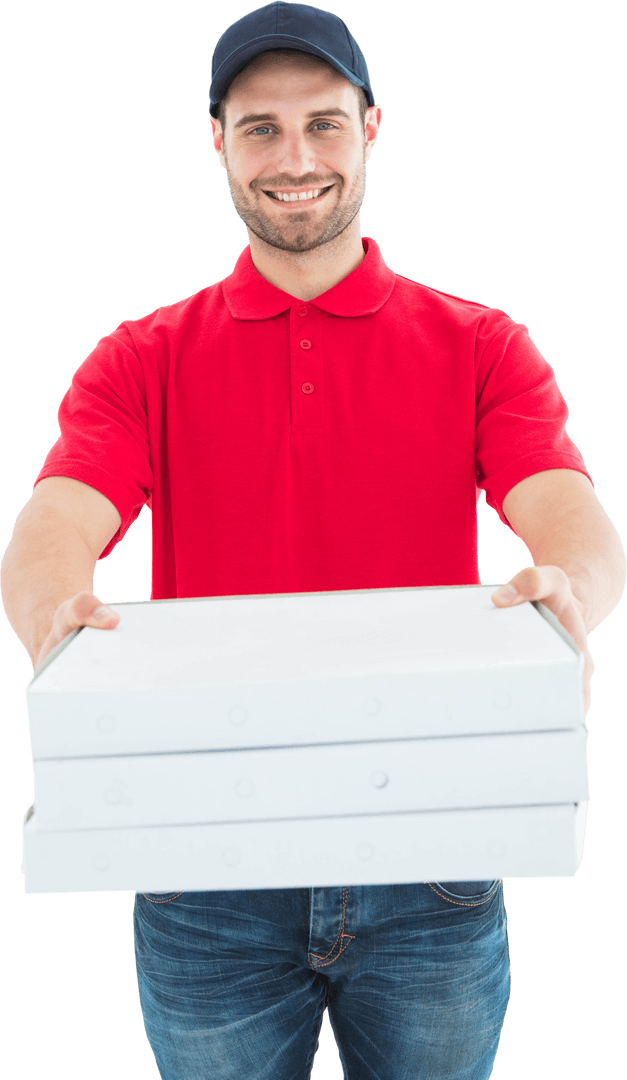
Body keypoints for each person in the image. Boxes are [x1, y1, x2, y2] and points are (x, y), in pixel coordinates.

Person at [2, 4, 625, 1079]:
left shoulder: (482, 344)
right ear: (218, 143)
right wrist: (54, 614)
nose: (296, 159)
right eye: (261, 128)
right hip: (206, 866)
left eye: (323, 124)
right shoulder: (140, 357)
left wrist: (569, 590)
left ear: (370, 130)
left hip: (432, 856)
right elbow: (56, 520)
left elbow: (568, 511)